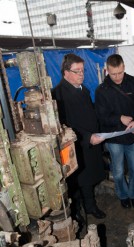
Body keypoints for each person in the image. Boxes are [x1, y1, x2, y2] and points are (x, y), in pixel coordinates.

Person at [52, 53, 106, 221]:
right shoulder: (58, 94)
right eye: (77, 71)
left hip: (90, 143)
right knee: (75, 181)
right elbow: (65, 125)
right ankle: (74, 212)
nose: (82, 74)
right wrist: (88, 137)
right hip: (75, 145)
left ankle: (89, 206)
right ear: (65, 72)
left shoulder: (82, 89)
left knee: (88, 178)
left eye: (83, 70)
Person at [95, 54, 134, 209]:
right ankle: (123, 195)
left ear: (124, 67)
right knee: (118, 172)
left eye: (120, 72)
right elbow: (101, 117)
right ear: (106, 71)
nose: (117, 77)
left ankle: (133, 194)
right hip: (114, 138)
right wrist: (120, 118)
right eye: (113, 74)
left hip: (132, 136)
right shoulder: (101, 90)